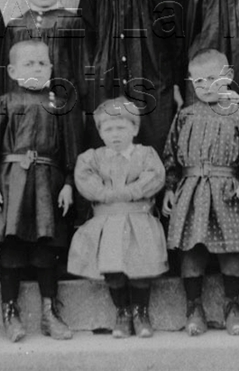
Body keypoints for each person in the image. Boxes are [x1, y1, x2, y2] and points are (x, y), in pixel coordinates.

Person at [0, 40, 81, 342]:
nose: (36, 68)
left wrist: (68, 183)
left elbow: (70, 149)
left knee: (46, 249)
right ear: (12, 71)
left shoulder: (59, 106)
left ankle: (50, 312)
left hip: (48, 184)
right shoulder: (4, 104)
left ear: (51, 68)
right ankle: (10, 313)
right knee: (11, 248)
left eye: (42, 64)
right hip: (12, 183)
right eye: (28, 64)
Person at [163, 49, 239, 336]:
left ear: (228, 76)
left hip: (227, 191)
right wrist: (170, 187)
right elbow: (170, 154)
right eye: (198, 82)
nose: (205, 86)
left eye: (212, 79)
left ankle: (232, 305)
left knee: (233, 248)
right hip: (191, 191)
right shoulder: (184, 115)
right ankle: (194, 307)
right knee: (192, 248)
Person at [79, 0, 183, 154]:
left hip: (151, 77)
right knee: (110, 141)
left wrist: (176, 82)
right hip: (107, 79)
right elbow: (86, 38)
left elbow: (173, 35)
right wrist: (89, 82)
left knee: (154, 142)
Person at [67, 97, 168, 339]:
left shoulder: (146, 155)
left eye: (121, 128)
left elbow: (154, 177)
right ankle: (122, 312)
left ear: (134, 129)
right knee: (112, 269)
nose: (115, 134)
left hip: (138, 220)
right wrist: (105, 194)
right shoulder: (92, 158)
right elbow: (86, 181)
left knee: (141, 267)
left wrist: (129, 192)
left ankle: (141, 312)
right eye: (108, 129)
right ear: (100, 132)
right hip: (107, 223)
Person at [0, 0, 87, 100]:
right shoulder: (15, 27)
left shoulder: (71, 23)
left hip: (64, 102)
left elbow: (81, 69)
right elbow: (6, 75)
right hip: (24, 104)